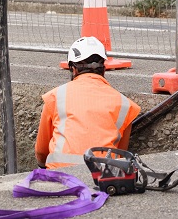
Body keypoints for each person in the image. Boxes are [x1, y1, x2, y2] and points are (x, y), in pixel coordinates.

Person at [35, 37, 141, 168]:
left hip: (60, 176)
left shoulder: (55, 97)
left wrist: (42, 166)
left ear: (73, 69)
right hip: (102, 179)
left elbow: (41, 152)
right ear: (103, 68)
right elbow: (121, 153)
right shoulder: (125, 105)